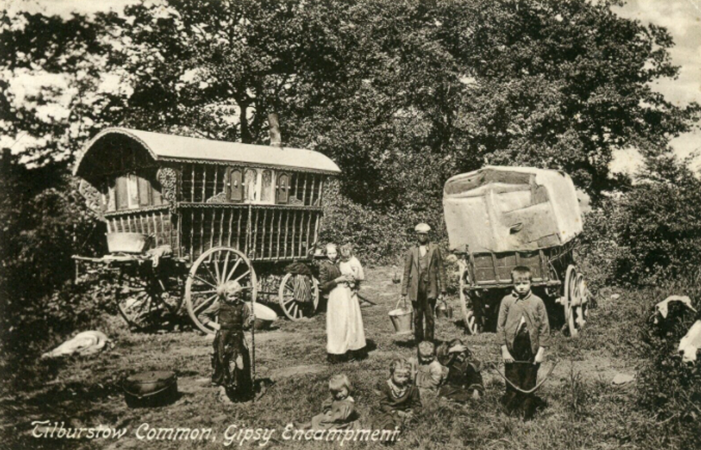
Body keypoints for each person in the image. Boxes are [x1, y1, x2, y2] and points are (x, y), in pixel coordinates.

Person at [496, 266, 550, 420]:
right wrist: (504, 350)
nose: (521, 287)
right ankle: (510, 412)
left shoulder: (538, 302)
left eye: (525, 283)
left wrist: (540, 352)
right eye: (517, 284)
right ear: (512, 284)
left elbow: (545, 328)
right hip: (512, 348)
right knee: (512, 381)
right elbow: (500, 327)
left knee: (528, 382)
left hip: (530, 349)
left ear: (530, 283)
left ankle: (527, 414)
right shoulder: (507, 301)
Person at [198, 281, 254, 403]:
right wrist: (214, 325)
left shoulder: (243, 306)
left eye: (236, 296)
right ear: (224, 295)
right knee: (224, 362)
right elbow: (202, 315)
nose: (234, 299)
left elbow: (245, 326)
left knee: (240, 361)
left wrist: (250, 322)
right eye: (230, 296)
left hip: (238, 338)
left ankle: (240, 390)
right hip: (224, 338)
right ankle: (223, 392)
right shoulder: (220, 305)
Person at [401, 223, 447, 343]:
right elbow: (406, 271)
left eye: (424, 234)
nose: (422, 236)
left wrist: (443, 288)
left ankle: (429, 341)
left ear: (428, 235)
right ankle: (419, 340)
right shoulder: (412, 251)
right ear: (416, 235)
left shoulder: (434, 249)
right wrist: (404, 290)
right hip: (416, 288)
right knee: (417, 316)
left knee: (430, 316)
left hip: (430, 287)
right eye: (420, 234)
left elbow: (441, 268)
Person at [319, 243, 365, 363]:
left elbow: (355, 274)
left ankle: (351, 350)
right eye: (329, 253)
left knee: (350, 323)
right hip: (336, 296)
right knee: (338, 325)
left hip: (347, 295)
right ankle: (336, 353)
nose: (332, 256)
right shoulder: (324, 266)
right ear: (325, 254)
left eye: (334, 253)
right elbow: (323, 286)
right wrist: (337, 280)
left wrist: (352, 282)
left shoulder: (341, 262)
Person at [375, 359, 422, 431]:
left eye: (405, 376)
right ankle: (389, 431)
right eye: (399, 376)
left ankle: (402, 426)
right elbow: (384, 403)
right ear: (392, 374)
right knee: (387, 418)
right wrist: (394, 411)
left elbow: (417, 404)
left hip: (405, 412)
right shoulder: (387, 386)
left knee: (414, 418)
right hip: (391, 411)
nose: (402, 379)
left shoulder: (412, 388)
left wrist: (412, 411)